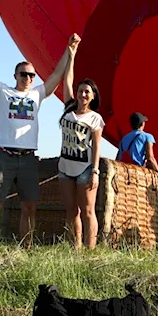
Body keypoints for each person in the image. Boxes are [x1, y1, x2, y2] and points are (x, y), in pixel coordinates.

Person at [0, 32, 81, 247]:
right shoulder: (2, 92)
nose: (28, 79)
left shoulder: (37, 94)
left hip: (28, 158)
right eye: (24, 74)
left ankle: (26, 247)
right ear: (15, 75)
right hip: (4, 155)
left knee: (29, 206)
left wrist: (71, 50)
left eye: (32, 75)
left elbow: (57, 75)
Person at [58, 74, 105, 250]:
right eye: (80, 91)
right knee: (71, 211)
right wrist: (71, 53)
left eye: (87, 92)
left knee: (87, 211)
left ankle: (90, 248)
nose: (83, 95)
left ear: (93, 96)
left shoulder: (95, 118)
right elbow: (67, 81)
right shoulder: (69, 110)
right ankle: (75, 248)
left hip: (85, 168)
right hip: (65, 166)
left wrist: (95, 171)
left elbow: (97, 146)